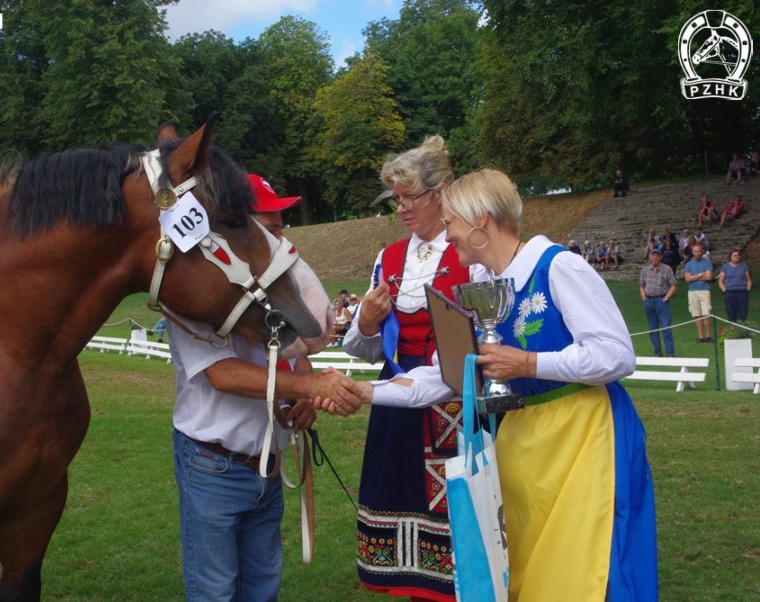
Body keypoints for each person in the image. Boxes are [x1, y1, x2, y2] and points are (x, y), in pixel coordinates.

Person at [330, 168, 658, 601]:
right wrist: (370, 392)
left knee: (586, 569)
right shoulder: (479, 286)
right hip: (521, 440)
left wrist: (527, 362)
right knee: (528, 573)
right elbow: (446, 374)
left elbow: (617, 354)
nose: (447, 239)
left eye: (450, 224)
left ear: (480, 220)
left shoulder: (558, 266)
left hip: (584, 436)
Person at [169, 175, 362, 602]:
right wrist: (309, 384)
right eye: (270, 230)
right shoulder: (192, 292)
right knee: (215, 592)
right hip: (212, 463)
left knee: (261, 589)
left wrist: (304, 394)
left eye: (281, 228)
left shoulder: (262, 292)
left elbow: (294, 351)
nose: (280, 241)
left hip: (265, 461)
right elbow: (224, 374)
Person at [342, 135, 470, 601]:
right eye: (397, 199)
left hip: (453, 401)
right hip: (396, 398)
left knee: (456, 522)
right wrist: (368, 321)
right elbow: (363, 350)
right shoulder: (388, 258)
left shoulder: (467, 253)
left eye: (410, 197)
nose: (402, 208)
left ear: (440, 194)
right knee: (401, 515)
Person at [640, 249, 677, 357]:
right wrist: (644, 299)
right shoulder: (645, 270)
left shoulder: (667, 269)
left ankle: (670, 353)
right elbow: (641, 285)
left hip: (661, 300)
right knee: (653, 329)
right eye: (653, 255)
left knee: (666, 327)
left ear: (660, 257)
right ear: (650, 257)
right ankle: (657, 351)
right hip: (649, 300)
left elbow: (673, 285)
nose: (655, 257)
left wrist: (666, 297)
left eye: (657, 256)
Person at [684, 242, 714, 342]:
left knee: (706, 313)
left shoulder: (707, 262)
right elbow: (687, 279)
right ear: (692, 252)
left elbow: (709, 276)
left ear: (702, 252)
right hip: (692, 291)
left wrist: (694, 277)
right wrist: (700, 275)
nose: (697, 253)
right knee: (697, 314)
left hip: (704, 290)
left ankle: (708, 335)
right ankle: (701, 336)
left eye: (699, 251)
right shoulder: (688, 264)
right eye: (695, 251)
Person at [718, 249, 752, 322]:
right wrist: (724, 290)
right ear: (730, 257)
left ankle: (742, 327)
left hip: (742, 291)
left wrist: (748, 289)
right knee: (731, 311)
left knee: (743, 311)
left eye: (738, 255)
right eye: (734, 255)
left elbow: (748, 279)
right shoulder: (725, 267)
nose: (736, 257)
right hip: (730, 292)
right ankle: (733, 327)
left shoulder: (744, 266)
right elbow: (720, 281)